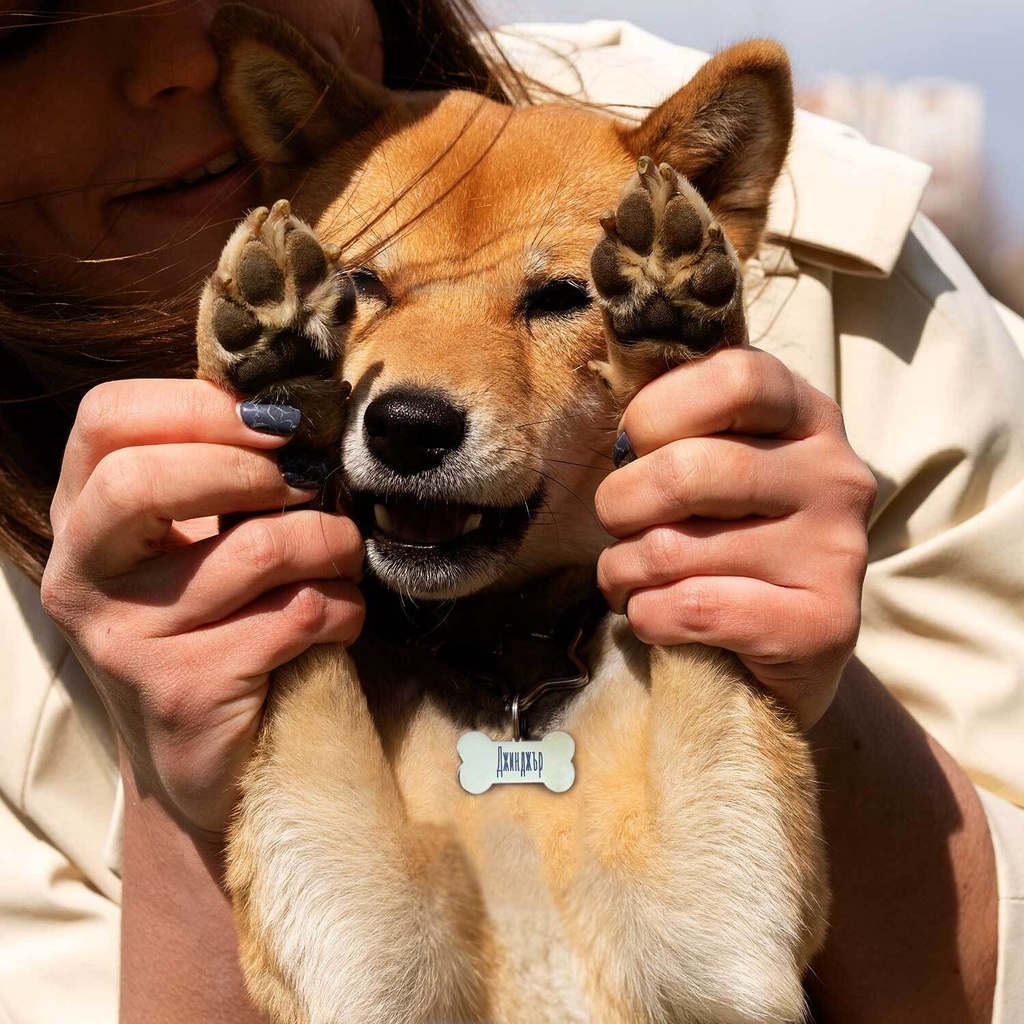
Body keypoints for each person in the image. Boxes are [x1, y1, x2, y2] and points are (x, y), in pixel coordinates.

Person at [0, 1, 1020, 1022]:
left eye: (553, 302)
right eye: (41, 24)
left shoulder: (826, 269)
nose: (187, 57)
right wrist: (181, 794)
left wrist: (778, 651)